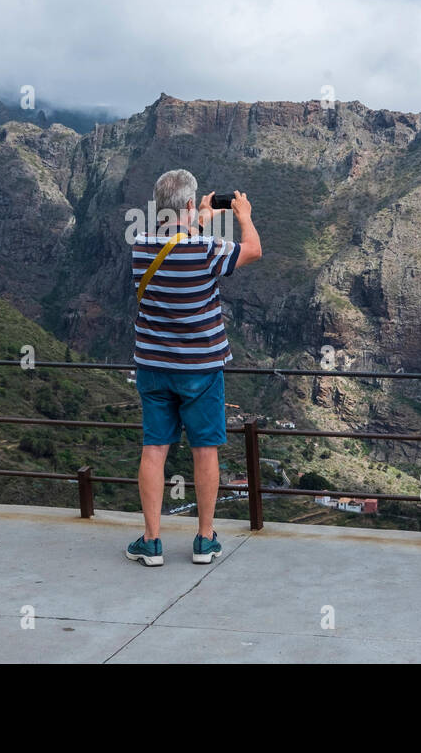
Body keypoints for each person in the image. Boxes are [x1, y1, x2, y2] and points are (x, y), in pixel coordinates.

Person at [125, 169, 262, 566]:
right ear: (188, 204)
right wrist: (243, 215)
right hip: (201, 368)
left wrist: (199, 217)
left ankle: (151, 542)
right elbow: (252, 250)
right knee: (204, 450)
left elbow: (175, 245)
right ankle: (204, 539)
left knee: (154, 449)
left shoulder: (140, 246)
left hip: (152, 367)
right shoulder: (207, 250)